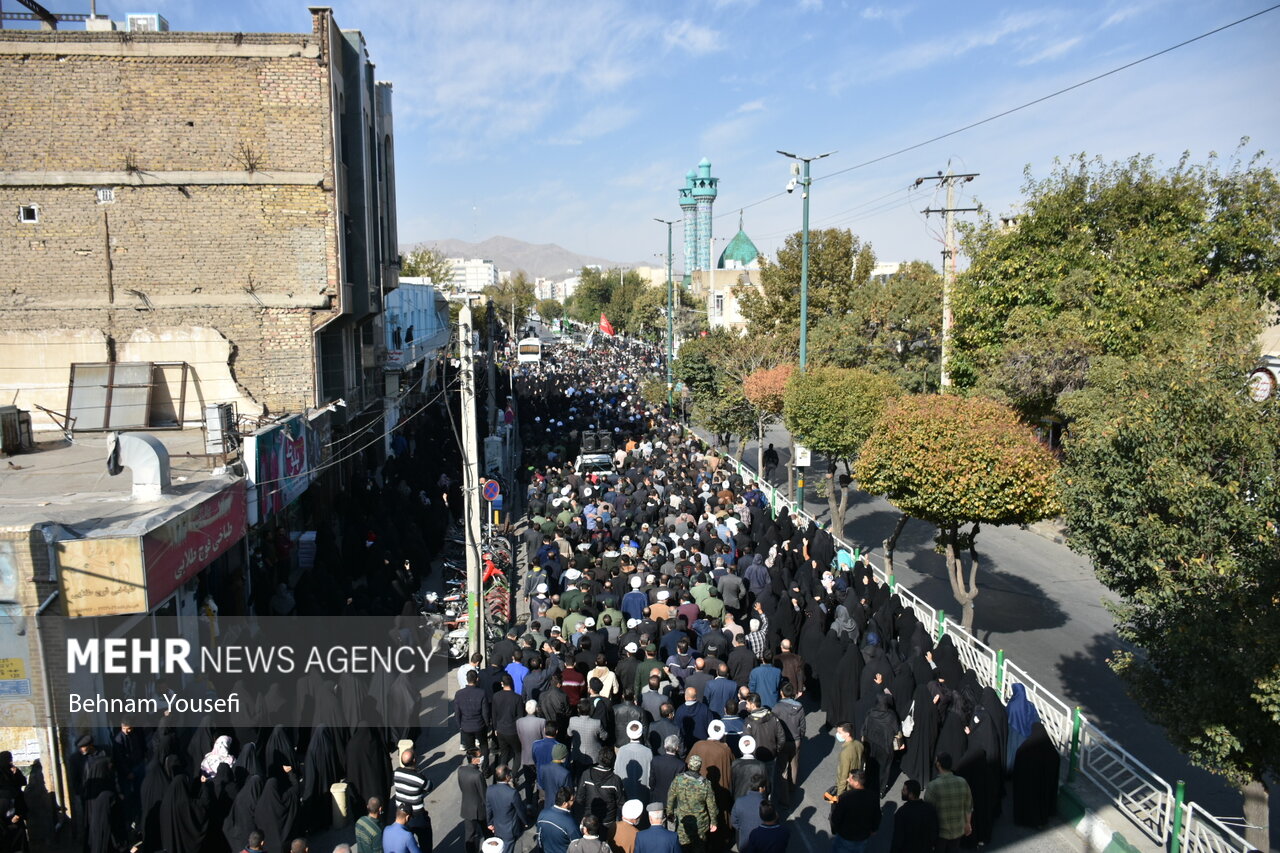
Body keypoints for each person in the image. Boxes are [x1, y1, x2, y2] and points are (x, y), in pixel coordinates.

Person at [664, 754, 717, 853]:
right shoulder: (706, 784)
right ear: (700, 767)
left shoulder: (678, 779)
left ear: (688, 766)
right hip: (700, 824)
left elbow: (671, 798)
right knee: (699, 848)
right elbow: (711, 805)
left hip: (683, 822)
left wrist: (670, 814)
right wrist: (713, 822)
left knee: (683, 848)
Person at [922, 753, 972, 853]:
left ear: (939, 765)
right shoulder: (962, 782)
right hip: (958, 830)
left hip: (940, 832)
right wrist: (968, 824)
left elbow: (927, 812)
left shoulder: (933, 786)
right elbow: (968, 807)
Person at [830, 769, 880, 853]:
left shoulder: (845, 797)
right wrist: (874, 829)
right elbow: (877, 815)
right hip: (862, 838)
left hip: (845, 837)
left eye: (850, 778)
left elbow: (836, 817)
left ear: (856, 782)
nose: (847, 780)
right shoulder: (873, 797)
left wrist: (835, 830)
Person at [487, 766, 529, 852]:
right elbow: (520, 810)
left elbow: (488, 808)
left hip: (497, 827)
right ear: (506, 777)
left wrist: (489, 823)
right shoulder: (512, 793)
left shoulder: (490, 789)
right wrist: (525, 822)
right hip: (510, 830)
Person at [890, 780, 938, 853]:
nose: (902, 791)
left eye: (904, 790)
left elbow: (898, 838)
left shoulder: (902, 812)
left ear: (911, 794)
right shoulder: (929, 809)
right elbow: (934, 831)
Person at [458, 749, 488, 853]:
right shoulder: (478, 775)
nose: (482, 757)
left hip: (466, 807)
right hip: (480, 809)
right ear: (474, 760)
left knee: (469, 835)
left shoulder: (461, 770)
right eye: (480, 756)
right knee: (487, 831)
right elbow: (484, 795)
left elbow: (462, 787)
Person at [536, 788, 581, 853]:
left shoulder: (542, 814)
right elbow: (577, 847)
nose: (573, 802)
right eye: (572, 800)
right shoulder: (571, 824)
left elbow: (539, 837)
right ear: (565, 804)